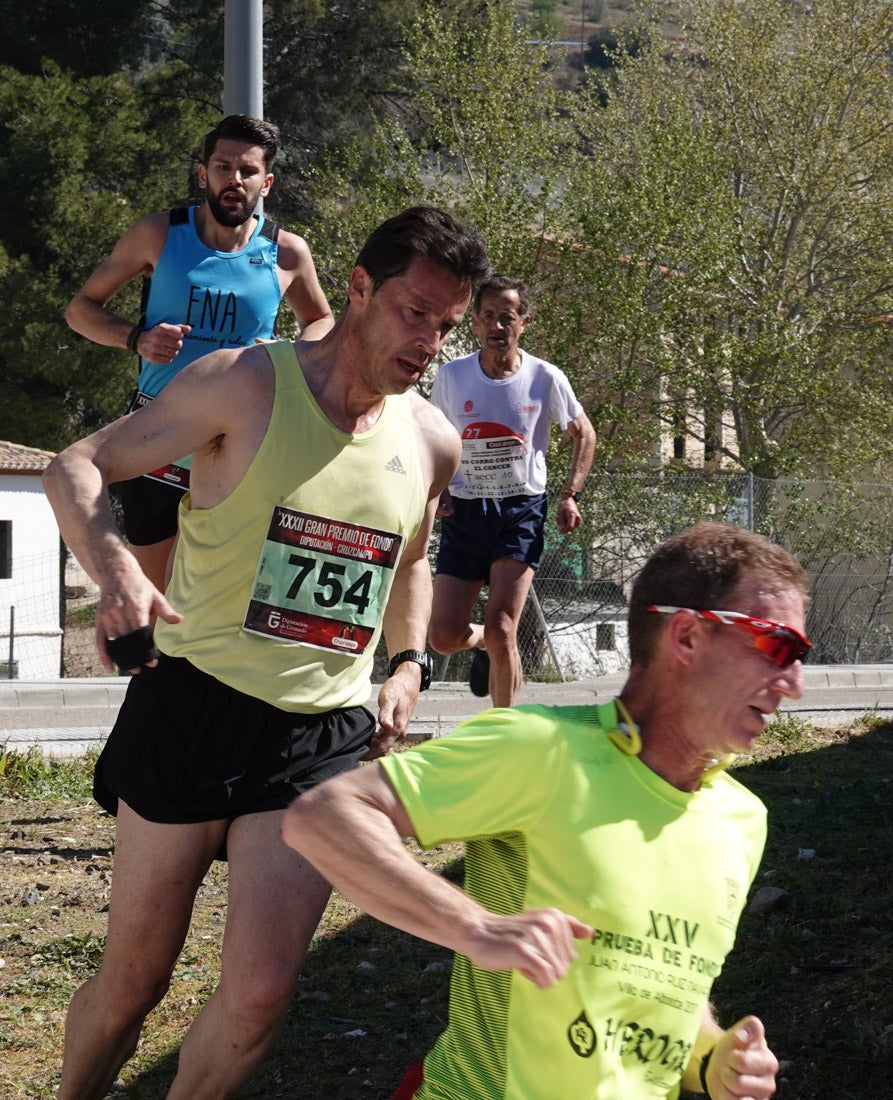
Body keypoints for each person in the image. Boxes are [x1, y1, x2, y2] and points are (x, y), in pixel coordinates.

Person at [43, 205, 491, 1100]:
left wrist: (406, 665)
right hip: (195, 703)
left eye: (447, 326)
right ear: (357, 289)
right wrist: (120, 574)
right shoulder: (242, 384)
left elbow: (409, 561)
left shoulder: (431, 442)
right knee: (134, 983)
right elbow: (77, 466)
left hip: (317, 739)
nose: (429, 343)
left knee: (257, 1001)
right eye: (414, 313)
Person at [284, 521, 807, 1099]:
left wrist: (712, 1059)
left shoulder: (741, 820)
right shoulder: (543, 747)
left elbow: (658, 989)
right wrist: (475, 927)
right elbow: (327, 816)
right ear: (686, 637)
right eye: (777, 646)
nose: (794, 683)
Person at [66, 114, 335, 592]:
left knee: (224, 590)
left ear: (266, 182)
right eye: (222, 166)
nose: (234, 179)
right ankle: (151, 666)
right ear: (202, 175)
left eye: (247, 170)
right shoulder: (158, 233)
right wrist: (136, 338)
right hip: (159, 428)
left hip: (241, 434)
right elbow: (81, 310)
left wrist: (290, 353)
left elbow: (321, 321)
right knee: (155, 595)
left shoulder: (287, 252)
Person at [428, 274, 596, 707]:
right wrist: (437, 489)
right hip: (465, 511)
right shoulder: (452, 376)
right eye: (488, 317)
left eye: (507, 317)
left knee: (505, 627)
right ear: (476, 324)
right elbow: (431, 436)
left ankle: (505, 732)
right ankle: (485, 643)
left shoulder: (545, 377)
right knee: (445, 637)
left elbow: (584, 433)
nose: (497, 326)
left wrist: (569, 494)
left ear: (524, 322)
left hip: (521, 509)